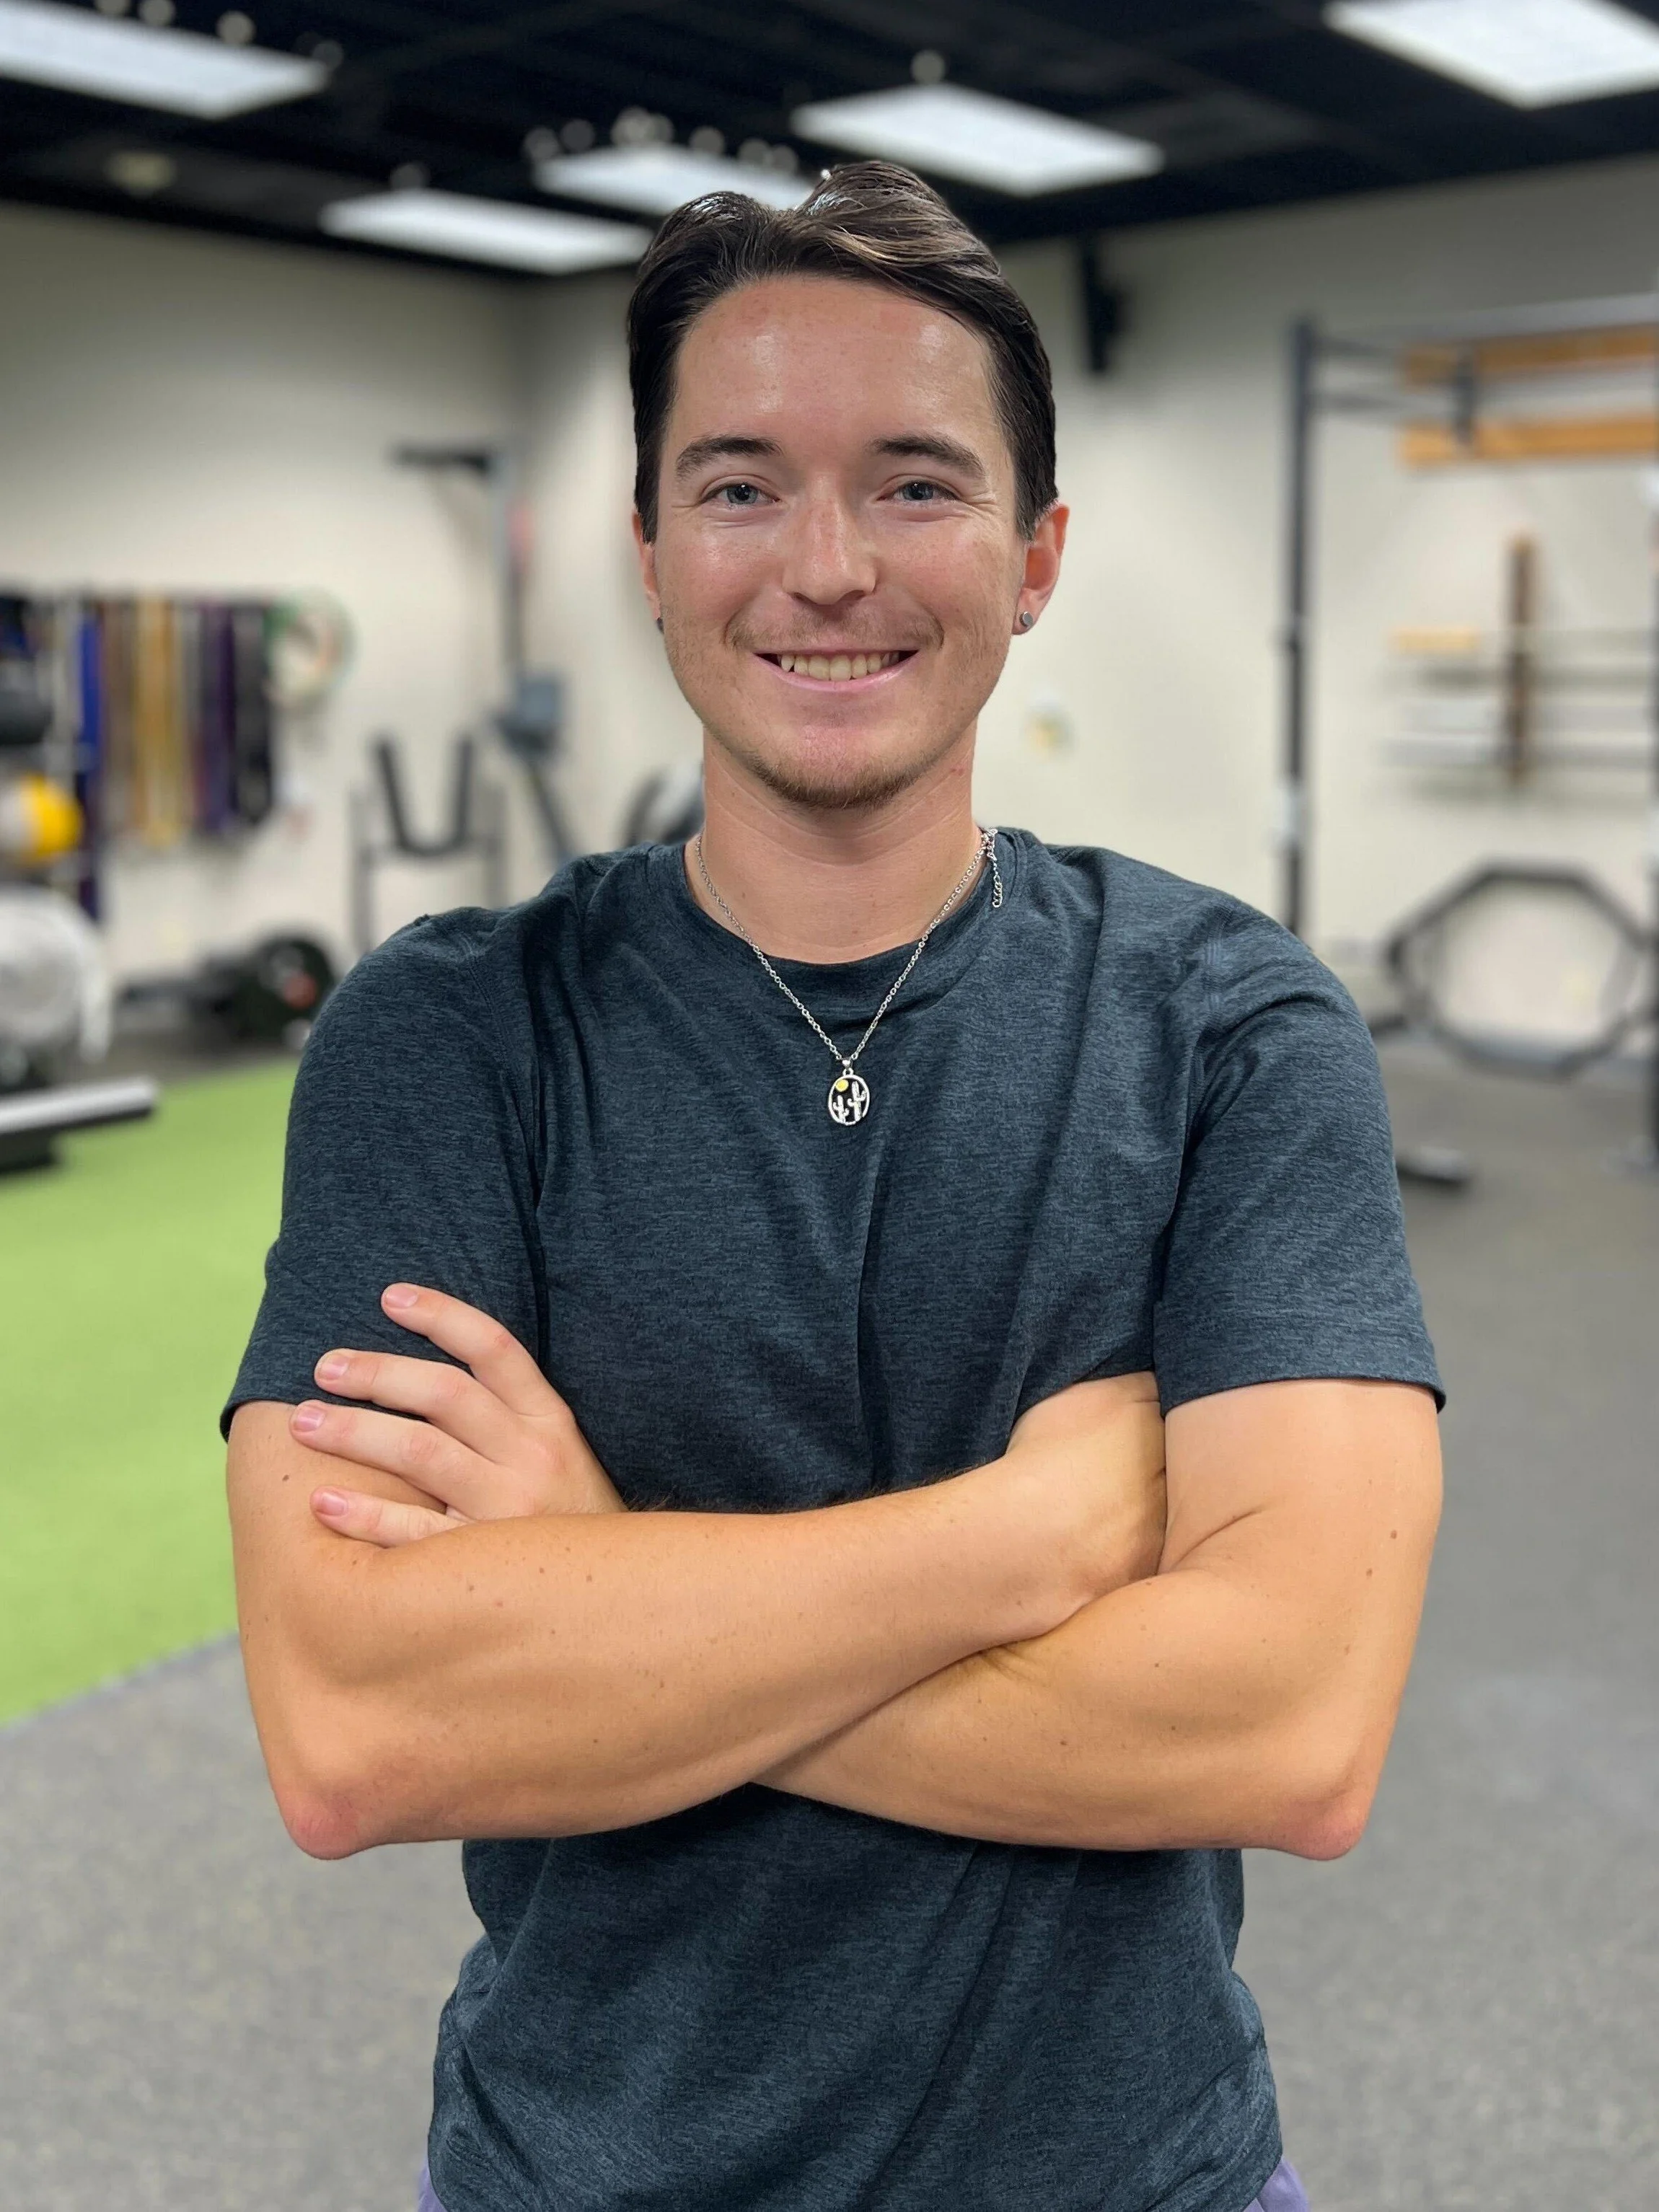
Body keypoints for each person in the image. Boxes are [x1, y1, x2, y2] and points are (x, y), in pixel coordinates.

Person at [224, 162, 1443, 2212]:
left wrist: (599, 1583)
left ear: (1035, 553)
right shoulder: (451, 1033)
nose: (824, 566)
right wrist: (1019, 1536)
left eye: (913, 483)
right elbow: (356, 1727)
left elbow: (1287, 1731)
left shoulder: (1229, 1027)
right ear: (646, 547)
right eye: (738, 486)